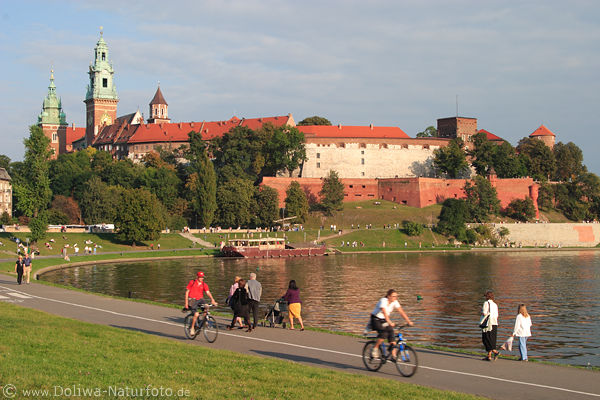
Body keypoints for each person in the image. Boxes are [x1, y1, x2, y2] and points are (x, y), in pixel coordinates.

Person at [370, 289, 413, 360]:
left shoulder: (395, 302)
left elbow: (401, 311)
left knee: (391, 334)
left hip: (384, 320)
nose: (395, 298)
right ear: (388, 296)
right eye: (393, 296)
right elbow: (384, 312)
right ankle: (375, 349)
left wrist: (408, 321)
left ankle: (393, 356)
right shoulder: (383, 301)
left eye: (396, 296)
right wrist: (389, 322)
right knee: (384, 334)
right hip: (376, 319)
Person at [184, 271, 218, 336]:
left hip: (200, 299)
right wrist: (186, 303)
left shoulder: (204, 284)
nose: (202, 278)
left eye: (202, 277)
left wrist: (212, 299)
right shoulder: (192, 282)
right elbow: (187, 292)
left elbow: (208, 292)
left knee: (207, 307)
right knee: (196, 314)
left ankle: (203, 321)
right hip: (192, 300)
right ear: (197, 277)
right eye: (200, 277)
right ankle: (192, 328)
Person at [481, 290, 500, 361]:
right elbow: (497, 315)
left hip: (488, 323)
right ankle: (489, 355)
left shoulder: (486, 303)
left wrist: (482, 313)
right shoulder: (495, 304)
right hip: (494, 322)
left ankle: (495, 352)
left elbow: (484, 313)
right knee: (492, 339)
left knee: (485, 338)